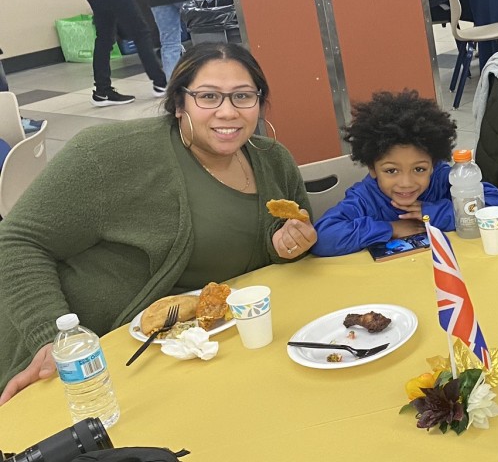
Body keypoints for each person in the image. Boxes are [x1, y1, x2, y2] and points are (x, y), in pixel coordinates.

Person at [0, 43, 316, 400]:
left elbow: (282, 254)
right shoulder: (111, 154)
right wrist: (51, 339)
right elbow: (18, 240)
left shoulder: (273, 161)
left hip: (199, 358)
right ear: (180, 104)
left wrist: (287, 246)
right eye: (208, 96)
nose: (228, 112)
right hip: (89, 365)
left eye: (243, 96)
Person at [312, 90, 498, 256]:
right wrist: (390, 229)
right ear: (372, 168)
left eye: (419, 169)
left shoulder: (442, 179)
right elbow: (323, 237)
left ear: (433, 164)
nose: (406, 182)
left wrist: (433, 212)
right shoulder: (365, 197)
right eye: (391, 171)